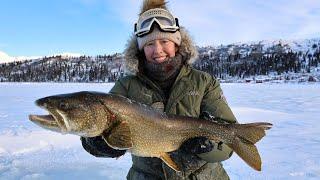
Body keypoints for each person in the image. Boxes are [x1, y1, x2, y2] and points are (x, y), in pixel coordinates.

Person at [81, 0, 237, 179]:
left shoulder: (204, 82)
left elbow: (230, 141)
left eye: (164, 41)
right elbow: (98, 123)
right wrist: (98, 144)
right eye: (149, 44)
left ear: (177, 44)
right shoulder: (126, 86)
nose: (157, 50)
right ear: (141, 49)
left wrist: (209, 147)